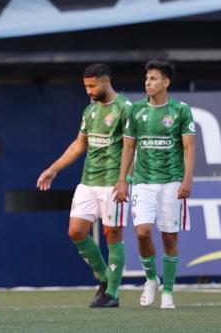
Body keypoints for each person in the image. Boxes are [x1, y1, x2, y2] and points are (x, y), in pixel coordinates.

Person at [36, 64, 131, 308]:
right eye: (86, 86)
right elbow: (79, 145)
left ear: (106, 81)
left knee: (112, 234)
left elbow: (133, 148)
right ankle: (104, 277)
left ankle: (112, 293)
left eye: (92, 85)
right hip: (88, 181)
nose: (88, 91)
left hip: (113, 181)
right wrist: (54, 168)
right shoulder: (90, 110)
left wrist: (124, 180)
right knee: (76, 232)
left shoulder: (125, 108)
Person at [115, 60, 196, 311]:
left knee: (169, 237)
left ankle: (168, 291)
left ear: (166, 82)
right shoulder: (136, 110)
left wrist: (187, 179)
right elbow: (128, 147)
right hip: (143, 182)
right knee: (142, 233)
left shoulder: (180, 110)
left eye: (153, 78)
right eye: (146, 78)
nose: (148, 82)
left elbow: (189, 147)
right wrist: (122, 180)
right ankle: (151, 279)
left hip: (172, 181)